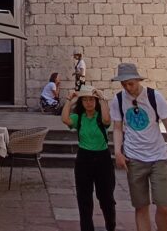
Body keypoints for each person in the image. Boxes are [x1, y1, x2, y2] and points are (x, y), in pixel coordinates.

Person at [110, 63, 167, 231]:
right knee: (141, 206)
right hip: (134, 158)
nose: (127, 88)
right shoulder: (119, 100)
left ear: (138, 80)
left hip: (157, 157)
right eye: (123, 84)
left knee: (164, 206)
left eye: (131, 83)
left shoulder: (154, 97)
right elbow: (117, 128)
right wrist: (118, 152)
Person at [61, 85, 115, 231]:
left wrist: (102, 99)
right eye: (85, 100)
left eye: (91, 100)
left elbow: (106, 120)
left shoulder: (100, 117)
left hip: (102, 159)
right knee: (84, 197)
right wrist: (68, 100)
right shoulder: (79, 118)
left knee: (106, 197)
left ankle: (111, 225)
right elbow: (65, 119)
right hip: (84, 158)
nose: (89, 103)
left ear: (96, 102)